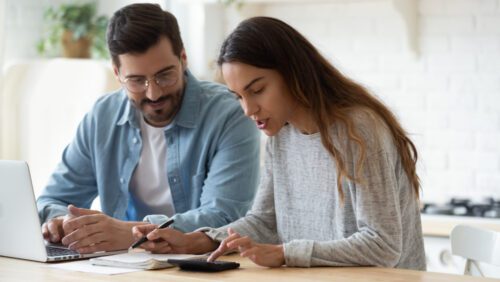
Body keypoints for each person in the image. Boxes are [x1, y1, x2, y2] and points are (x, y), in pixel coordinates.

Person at [131, 16, 426, 270]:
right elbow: (265, 221)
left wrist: (286, 253)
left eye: (257, 90)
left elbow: (383, 245)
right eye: (238, 96)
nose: (248, 109)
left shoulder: (357, 129)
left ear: (292, 73)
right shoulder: (281, 134)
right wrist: (197, 240)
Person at [36, 3, 260, 254]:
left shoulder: (230, 114)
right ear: (117, 73)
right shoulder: (103, 116)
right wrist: (61, 223)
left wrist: (130, 232)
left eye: (165, 75)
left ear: (183, 59)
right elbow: (52, 200)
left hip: (198, 262)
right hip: (118, 264)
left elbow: (224, 216)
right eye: (136, 81)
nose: (153, 93)